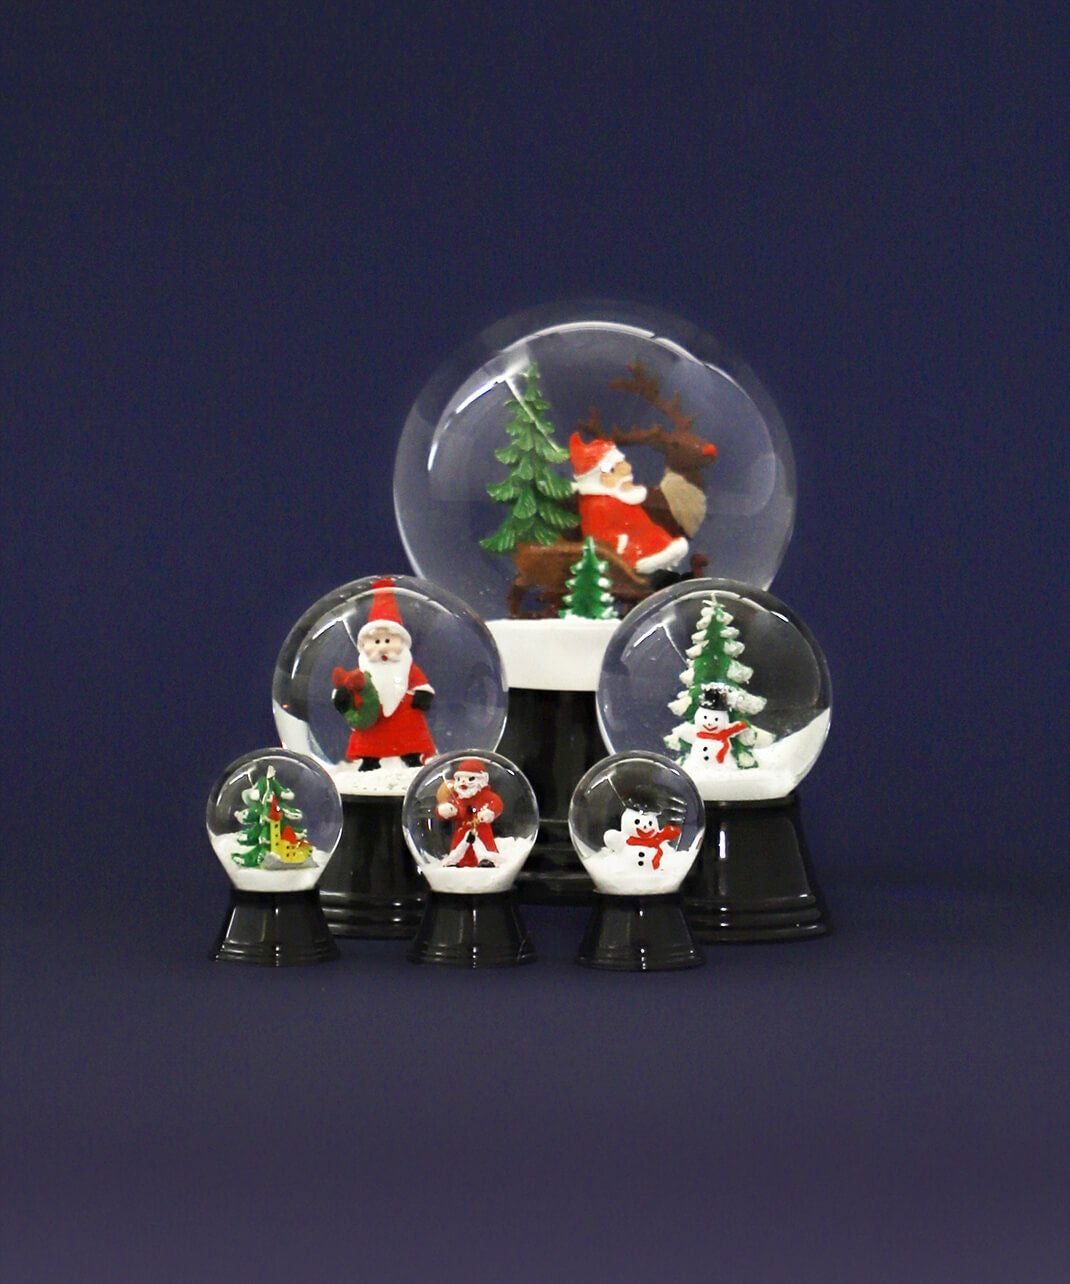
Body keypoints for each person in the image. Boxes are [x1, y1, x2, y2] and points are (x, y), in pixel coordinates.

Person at [331, 578, 435, 771]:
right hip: (372, 714)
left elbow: (420, 683)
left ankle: (412, 757)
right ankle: (369, 760)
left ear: (401, 641)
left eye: (388, 640)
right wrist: (342, 695)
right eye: (376, 641)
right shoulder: (363, 670)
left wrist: (423, 694)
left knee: (410, 737)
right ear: (365, 645)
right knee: (370, 739)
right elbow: (350, 683)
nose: (383, 647)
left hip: (404, 713)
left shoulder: (407, 666)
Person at [569, 433, 689, 574]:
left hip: (649, 540)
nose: (628, 469)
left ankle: (663, 559)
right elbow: (597, 536)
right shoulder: (597, 505)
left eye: (623, 463)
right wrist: (622, 542)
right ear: (601, 478)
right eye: (614, 469)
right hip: (631, 552)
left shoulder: (622, 497)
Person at [435, 759, 503, 867]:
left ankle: (487, 860)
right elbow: (449, 810)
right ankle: (457, 861)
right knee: (460, 847)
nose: (463, 783)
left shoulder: (486, 796)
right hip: (462, 829)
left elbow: (497, 804)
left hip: (481, 828)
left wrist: (490, 812)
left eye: (470, 779)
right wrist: (446, 811)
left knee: (484, 845)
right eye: (459, 779)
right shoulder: (457, 798)